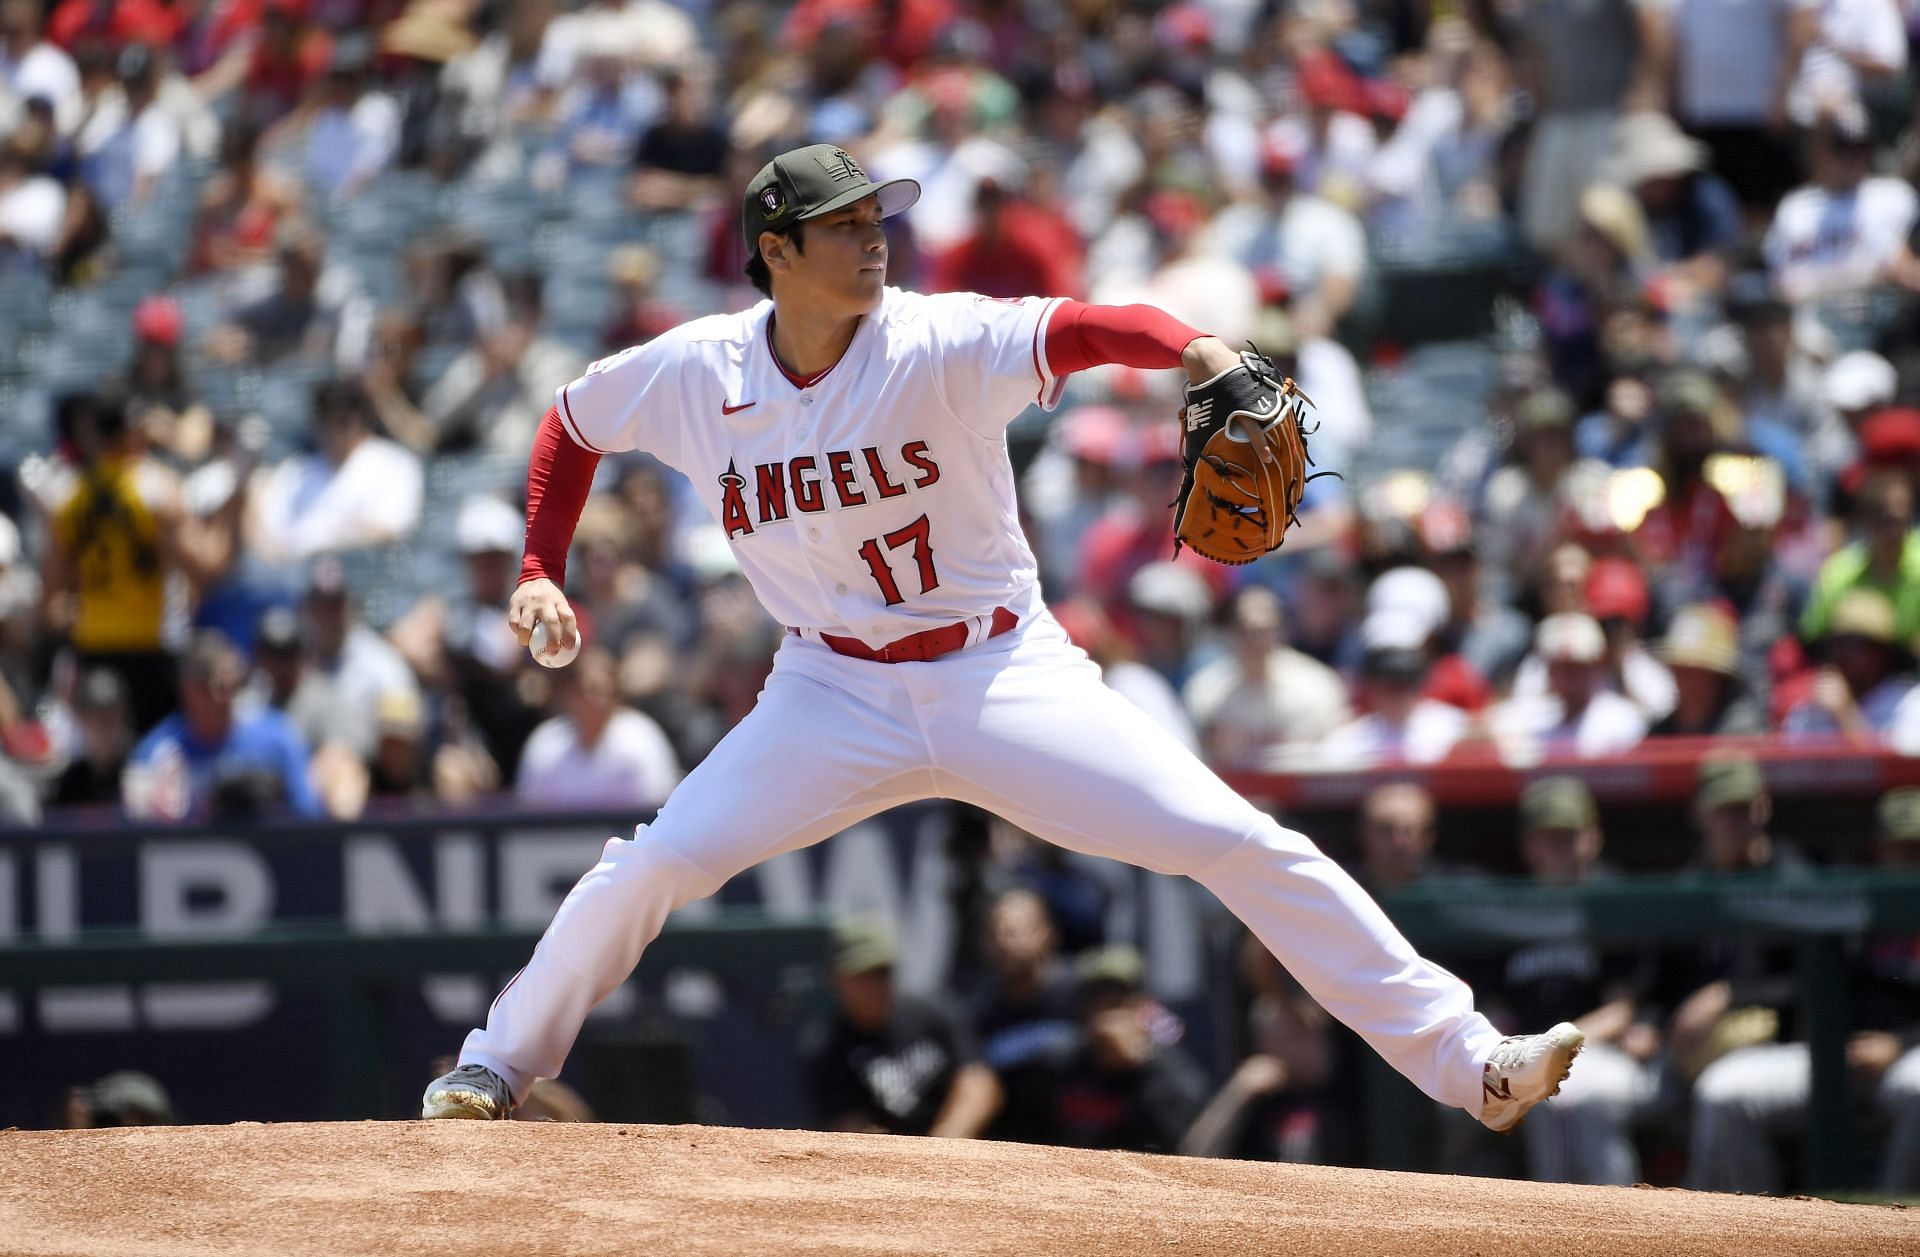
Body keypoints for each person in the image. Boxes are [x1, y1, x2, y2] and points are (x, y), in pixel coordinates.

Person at [422, 144, 1582, 1133]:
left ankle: (1467, 1060)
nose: (876, 240)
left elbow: (1085, 326)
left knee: (1232, 839)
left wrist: (1196, 350)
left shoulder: (936, 338)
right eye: (844, 226)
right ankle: (494, 1065)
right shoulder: (698, 371)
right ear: (773, 250)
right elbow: (569, 424)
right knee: (657, 862)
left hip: (997, 669)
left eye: (881, 220)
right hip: (828, 691)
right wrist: (537, 567)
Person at [1488, 778, 1658, 1185]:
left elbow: (1621, 1010)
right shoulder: (1510, 909)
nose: (1560, 848)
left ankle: (1612, 1221)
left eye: (1569, 835)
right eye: (1548, 837)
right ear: (1529, 845)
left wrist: (1553, 1047)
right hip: (1525, 1050)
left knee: (1562, 1093)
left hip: (1600, 1053)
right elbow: (1495, 1006)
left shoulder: (1611, 901)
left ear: (1592, 837)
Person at [800, 918, 1001, 1138]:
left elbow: (979, 1084)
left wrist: (942, 1147)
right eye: (864, 975)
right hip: (888, 1161)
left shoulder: (933, 1012)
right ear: (837, 979)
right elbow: (848, 1129)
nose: (876, 985)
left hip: (953, 1146)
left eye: (882, 972)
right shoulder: (826, 1047)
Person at [122, 629, 319, 822]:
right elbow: (133, 827)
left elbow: (309, 813)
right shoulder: (157, 752)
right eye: (205, 688)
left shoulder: (279, 737)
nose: (217, 698)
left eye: (225, 686)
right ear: (184, 690)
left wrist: (270, 805)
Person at [514, 644, 681, 811]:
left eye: (605, 690)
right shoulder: (545, 744)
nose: (597, 700)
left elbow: (657, 816)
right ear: (567, 694)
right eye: (588, 690)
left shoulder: (642, 740)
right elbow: (529, 819)